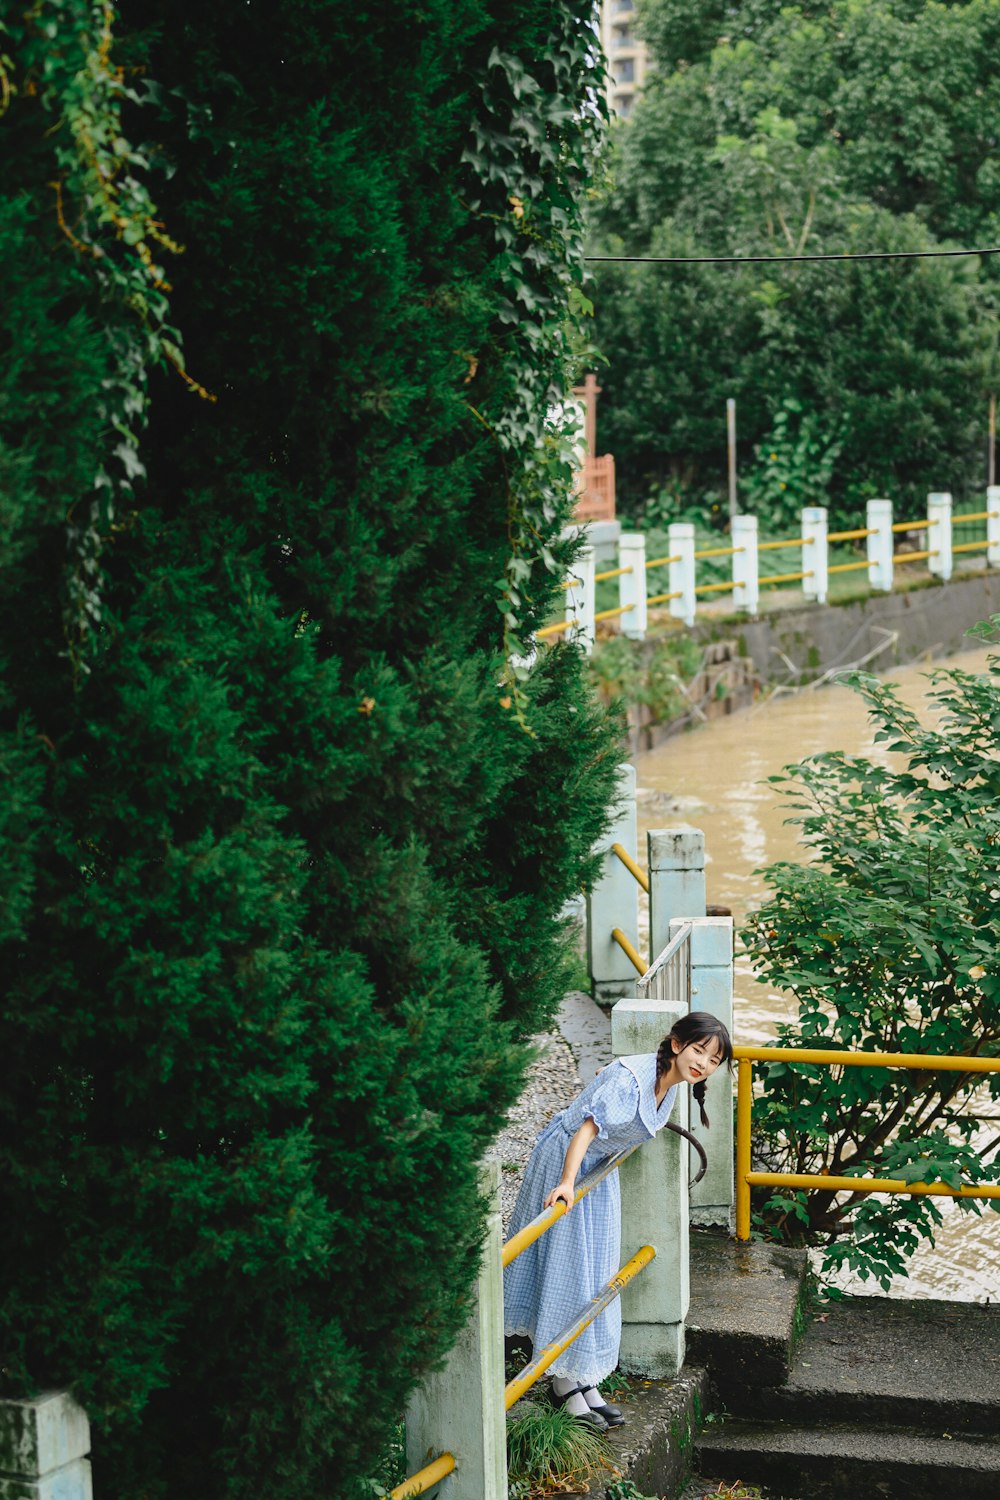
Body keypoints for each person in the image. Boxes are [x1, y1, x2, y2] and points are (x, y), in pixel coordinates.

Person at [503, 1011, 733, 1430]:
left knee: (594, 1276)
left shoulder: (668, 1080)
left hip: (599, 1173)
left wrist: (606, 1072)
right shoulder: (634, 1080)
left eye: (713, 1060)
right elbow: (587, 1129)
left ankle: (581, 1378)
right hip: (570, 1167)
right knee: (569, 1275)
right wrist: (567, 1183)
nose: (703, 1063)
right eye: (699, 1050)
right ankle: (561, 1383)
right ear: (678, 1043)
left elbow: (617, 1084)